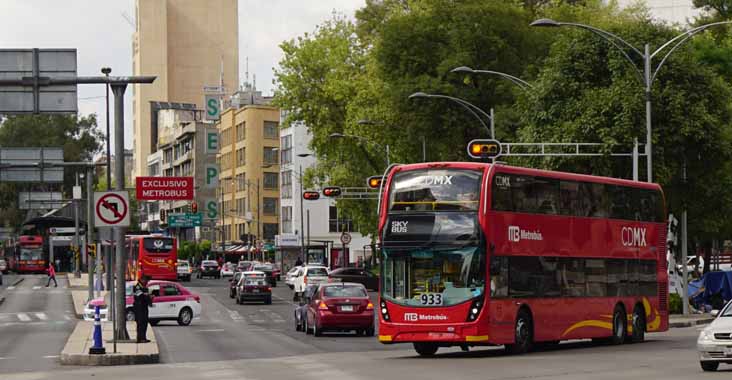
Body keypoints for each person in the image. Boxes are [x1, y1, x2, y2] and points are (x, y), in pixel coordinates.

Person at [133, 275, 153, 343]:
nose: (147, 282)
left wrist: (150, 298)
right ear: (142, 280)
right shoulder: (137, 287)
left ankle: (143, 337)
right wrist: (147, 296)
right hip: (139, 307)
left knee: (145, 322)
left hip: (144, 307)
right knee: (140, 323)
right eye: (146, 280)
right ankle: (139, 338)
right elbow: (140, 296)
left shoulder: (145, 287)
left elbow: (146, 297)